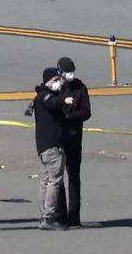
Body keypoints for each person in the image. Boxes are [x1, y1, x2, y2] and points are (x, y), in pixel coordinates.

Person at [55, 56, 91, 227]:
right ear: (60, 72)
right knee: (58, 177)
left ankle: (74, 215)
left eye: (72, 71)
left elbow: (86, 111)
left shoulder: (80, 88)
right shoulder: (55, 89)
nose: (70, 75)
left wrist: (70, 116)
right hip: (59, 139)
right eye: (67, 72)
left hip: (75, 138)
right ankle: (60, 213)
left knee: (74, 177)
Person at [33, 68, 68, 231]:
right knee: (53, 181)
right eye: (54, 80)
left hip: (44, 146)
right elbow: (52, 102)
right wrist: (64, 101)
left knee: (45, 181)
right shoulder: (45, 96)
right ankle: (48, 217)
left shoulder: (41, 95)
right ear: (47, 80)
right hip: (52, 146)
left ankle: (44, 215)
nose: (57, 83)